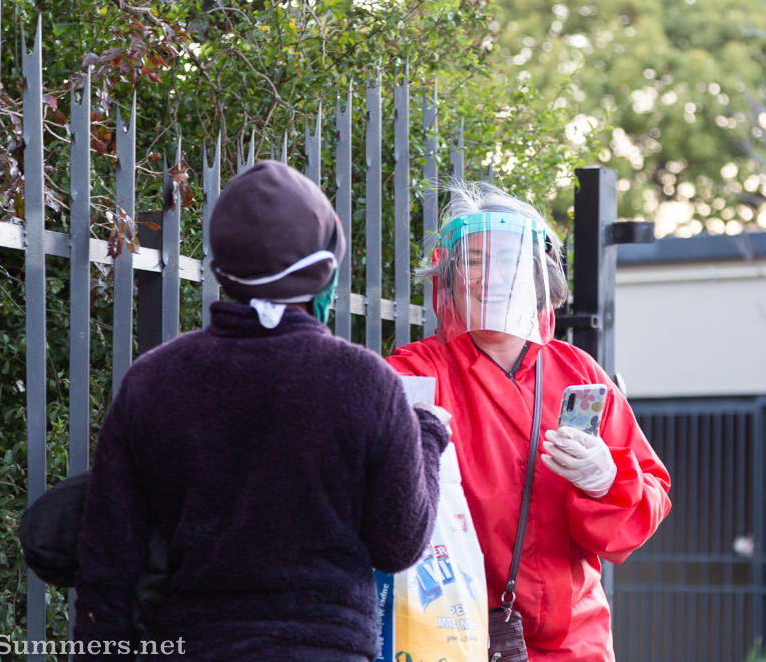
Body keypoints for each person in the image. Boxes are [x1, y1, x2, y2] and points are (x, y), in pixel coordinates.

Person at [74, 160, 450, 661]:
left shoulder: (154, 380)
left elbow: (106, 564)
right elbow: (399, 545)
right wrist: (426, 433)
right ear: (326, 265)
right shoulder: (365, 383)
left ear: (221, 267)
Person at [386, 180, 672, 662]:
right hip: (444, 633)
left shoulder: (578, 372)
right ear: (448, 277)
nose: (492, 275)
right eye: (474, 260)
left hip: (572, 641)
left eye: (510, 259)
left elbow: (648, 498)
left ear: (541, 280)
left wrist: (607, 480)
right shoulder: (413, 373)